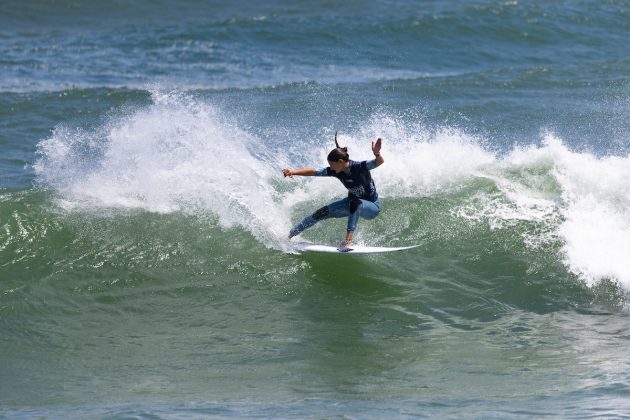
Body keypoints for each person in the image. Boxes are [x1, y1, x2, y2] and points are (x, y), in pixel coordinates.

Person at [282, 135, 384, 248]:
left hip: (372, 207)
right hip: (351, 203)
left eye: (332, 165)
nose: (331, 168)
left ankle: (348, 241)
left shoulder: (359, 167)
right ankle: (290, 235)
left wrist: (377, 153)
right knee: (320, 212)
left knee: (356, 203)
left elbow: (379, 162)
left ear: (340, 162)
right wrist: (292, 172)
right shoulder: (337, 171)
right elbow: (314, 171)